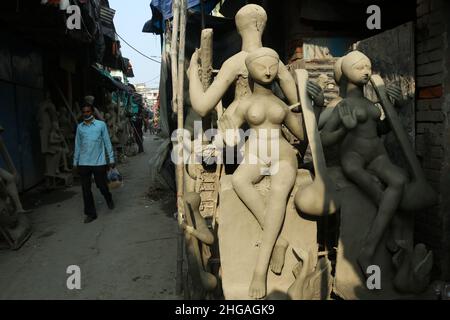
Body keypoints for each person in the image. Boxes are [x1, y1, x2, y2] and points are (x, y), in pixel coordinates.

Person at [73, 99, 115, 224]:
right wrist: (75, 162)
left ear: (92, 112)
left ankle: (108, 198)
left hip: (99, 162)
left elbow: (107, 142)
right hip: (84, 163)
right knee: (86, 190)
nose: (86, 114)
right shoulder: (80, 127)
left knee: (102, 186)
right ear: (82, 113)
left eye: (88, 111)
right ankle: (91, 213)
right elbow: (78, 145)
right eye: (84, 112)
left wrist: (111, 159)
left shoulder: (101, 125)